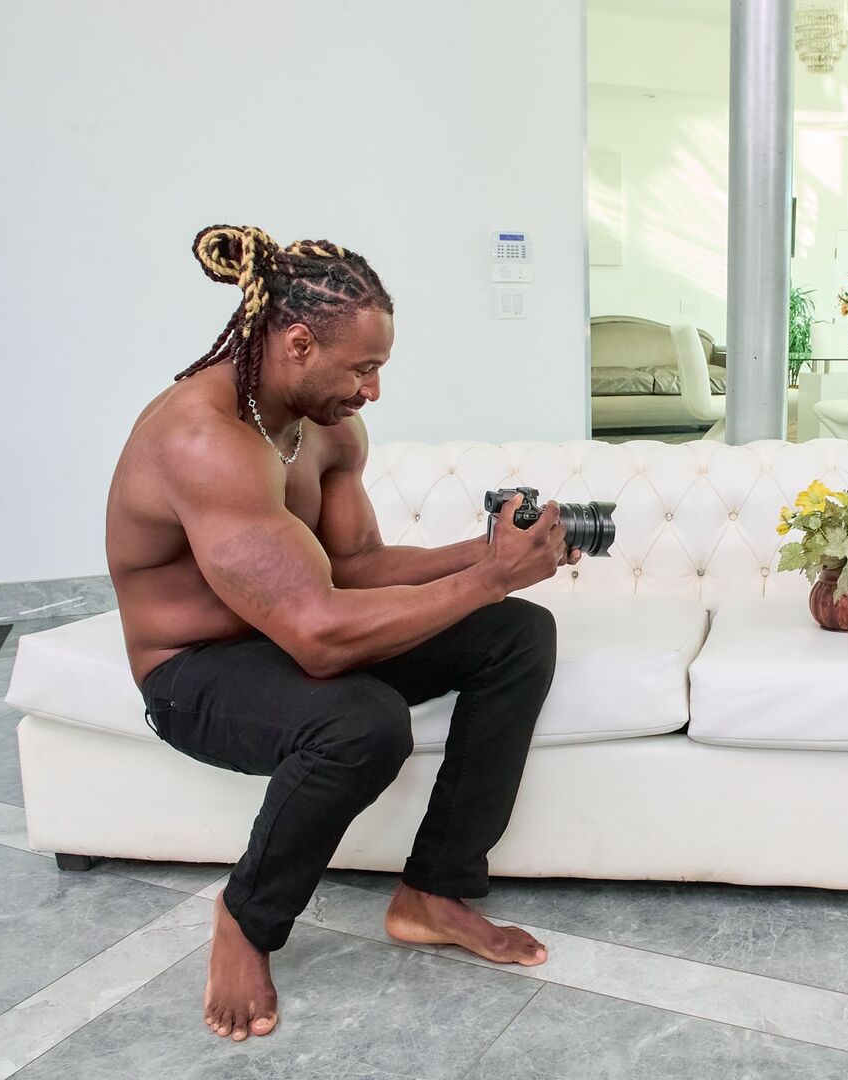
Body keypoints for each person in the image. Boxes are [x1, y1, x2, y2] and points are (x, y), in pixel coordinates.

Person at [104, 225, 578, 1042]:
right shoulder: (203, 440)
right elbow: (320, 637)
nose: (374, 390)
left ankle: (433, 891)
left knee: (514, 632)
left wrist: (495, 555)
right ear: (297, 344)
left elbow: (355, 566)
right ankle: (245, 921)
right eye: (363, 368)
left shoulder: (326, 427)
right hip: (195, 673)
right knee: (363, 721)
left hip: (285, 637)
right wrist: (489, 576)